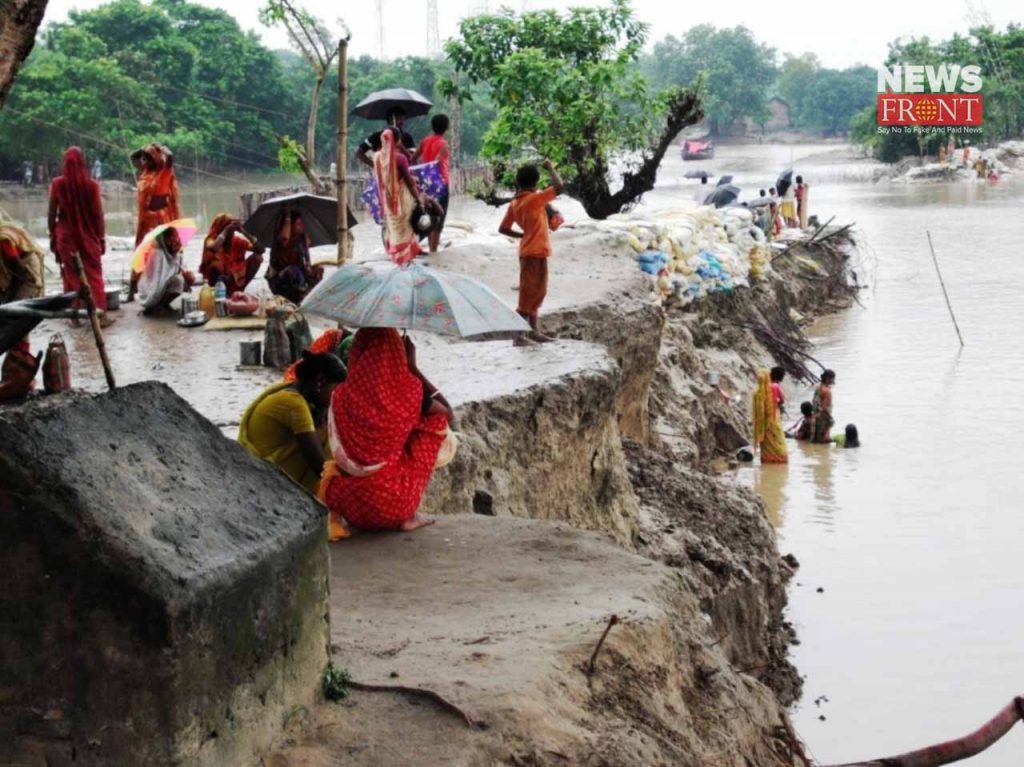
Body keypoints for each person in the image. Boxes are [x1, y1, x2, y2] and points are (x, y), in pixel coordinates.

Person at [321, 329, 454, 536]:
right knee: (434, 422)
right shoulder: (409, 391)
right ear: (397, 353)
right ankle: (410, 515)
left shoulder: (340, 395)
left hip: (350, 503)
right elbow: (447, 414)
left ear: (357, 352)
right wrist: (413, 367)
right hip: (394, 504)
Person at [238, 351, 349, 496]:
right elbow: (320, 466)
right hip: (265, 479)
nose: (336, 398)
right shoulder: (292, 403)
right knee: (329, 432)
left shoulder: (291, 394)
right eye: (335, 390)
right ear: (321, 381)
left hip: (259, 471)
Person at [499, 159, 565, 346]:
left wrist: (522, 234)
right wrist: (551, 167)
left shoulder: (515, 204)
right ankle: (519, 336)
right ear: (535, 183)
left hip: (531, 251)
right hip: (534, 253)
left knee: (535, 292)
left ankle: (533, 331)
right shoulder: (535, 199)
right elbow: (560, 187)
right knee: (529, 296)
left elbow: (503, 229)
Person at [47, 146, 109, 322]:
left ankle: (74, 315)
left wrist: (52, 234)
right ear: (84, 163)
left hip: (66, 238)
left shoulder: (57, 184)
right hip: (89, 237)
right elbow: (98, 216)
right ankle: (100, 315)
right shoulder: (92, 186)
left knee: (71, 275)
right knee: (94, 275)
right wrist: (102, 238)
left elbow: (51, 214)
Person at [374, 127, 438, 265]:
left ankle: (398, 258)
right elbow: (409, 181)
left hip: (387, 198)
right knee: (407, 226)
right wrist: (418, 199)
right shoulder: (400, 158)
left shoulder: (377, 157)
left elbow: (383, 179)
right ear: (398, 140)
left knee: (395, 227)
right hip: (402, 197)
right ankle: (405, 259)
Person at [0, 223, 46, 400]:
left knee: (18, 320)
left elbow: (19, 272)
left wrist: (9, 302)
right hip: (12, 276)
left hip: (25, 275)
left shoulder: (4, 241)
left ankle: (21, 377)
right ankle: (17, 376)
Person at [413, 113, 451, 254]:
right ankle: (434, 251)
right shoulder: (443, 144)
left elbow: (413, 158)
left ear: (432, 126)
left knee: (430, 215)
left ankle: (431, 248)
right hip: (440, 184)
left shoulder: (425, 141)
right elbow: (437, 163)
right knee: (439, 216)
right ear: (446, 127)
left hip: (426, 184)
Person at [199, 214, 264, 294]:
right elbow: (214, 248)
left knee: (257, 258)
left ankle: (239, 289)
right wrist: (226, 231)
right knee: (215, 264)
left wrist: (244, 232)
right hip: (220, 281)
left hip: (236, 276)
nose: (232, 231)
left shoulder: (236, 240)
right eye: (229, 228)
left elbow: (261, 250)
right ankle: (223, 292)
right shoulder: (211, 239)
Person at [267, 209, 322, 304]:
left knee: (318, 269)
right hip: (281, 280)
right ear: (290, 226)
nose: (302, 226)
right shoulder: (280, 240)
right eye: (298, 224)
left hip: (299, 277)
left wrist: (310, 269)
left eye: (301, 223)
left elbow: (307, 261)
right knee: (292, 271)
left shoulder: (301, 239)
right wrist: (287, 215)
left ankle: (304, 294)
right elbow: (285, 237)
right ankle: (298, 295)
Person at [135, 227, 194, 315]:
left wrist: (186, 276)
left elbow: (177, 269)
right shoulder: (158, 254)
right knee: (179, 281)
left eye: (176, 237)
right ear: (165, 239)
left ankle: (163, 305)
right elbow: (158, 281)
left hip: (162, 286)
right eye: (172, 237)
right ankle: (157, 307)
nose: (175, 240)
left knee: (182, 280)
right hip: (150, 290)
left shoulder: (174, 253)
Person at [133, 143, 181, 246]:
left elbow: (170, 157)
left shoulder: (164, 173)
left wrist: (163, 149)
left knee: (161, 251)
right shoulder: (146, 172)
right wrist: (143, 148)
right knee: (146, 254)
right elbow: (133, 157)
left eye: (147, 159)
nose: (144, 162)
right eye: (144, 159)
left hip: (161, 220)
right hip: (146, 219)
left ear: (155, 159)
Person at [752, 368, 788, 463]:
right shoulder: (775, 387)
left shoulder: (756, 393)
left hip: (762, 424)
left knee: (766, 444)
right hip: (773, 420)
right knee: (777, 441)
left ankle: (767, 461)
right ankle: (779, 461)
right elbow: (782, 400)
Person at [811, 369, 836, 443]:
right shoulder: (827, 391)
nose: (833, 380)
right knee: (823, 440)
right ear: (828, 379)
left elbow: (815, 402)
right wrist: (830, 418)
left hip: (815, 415)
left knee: (815, 438)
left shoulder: (818, 387)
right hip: (823, 417)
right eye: (832, 378)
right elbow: (824, 407)